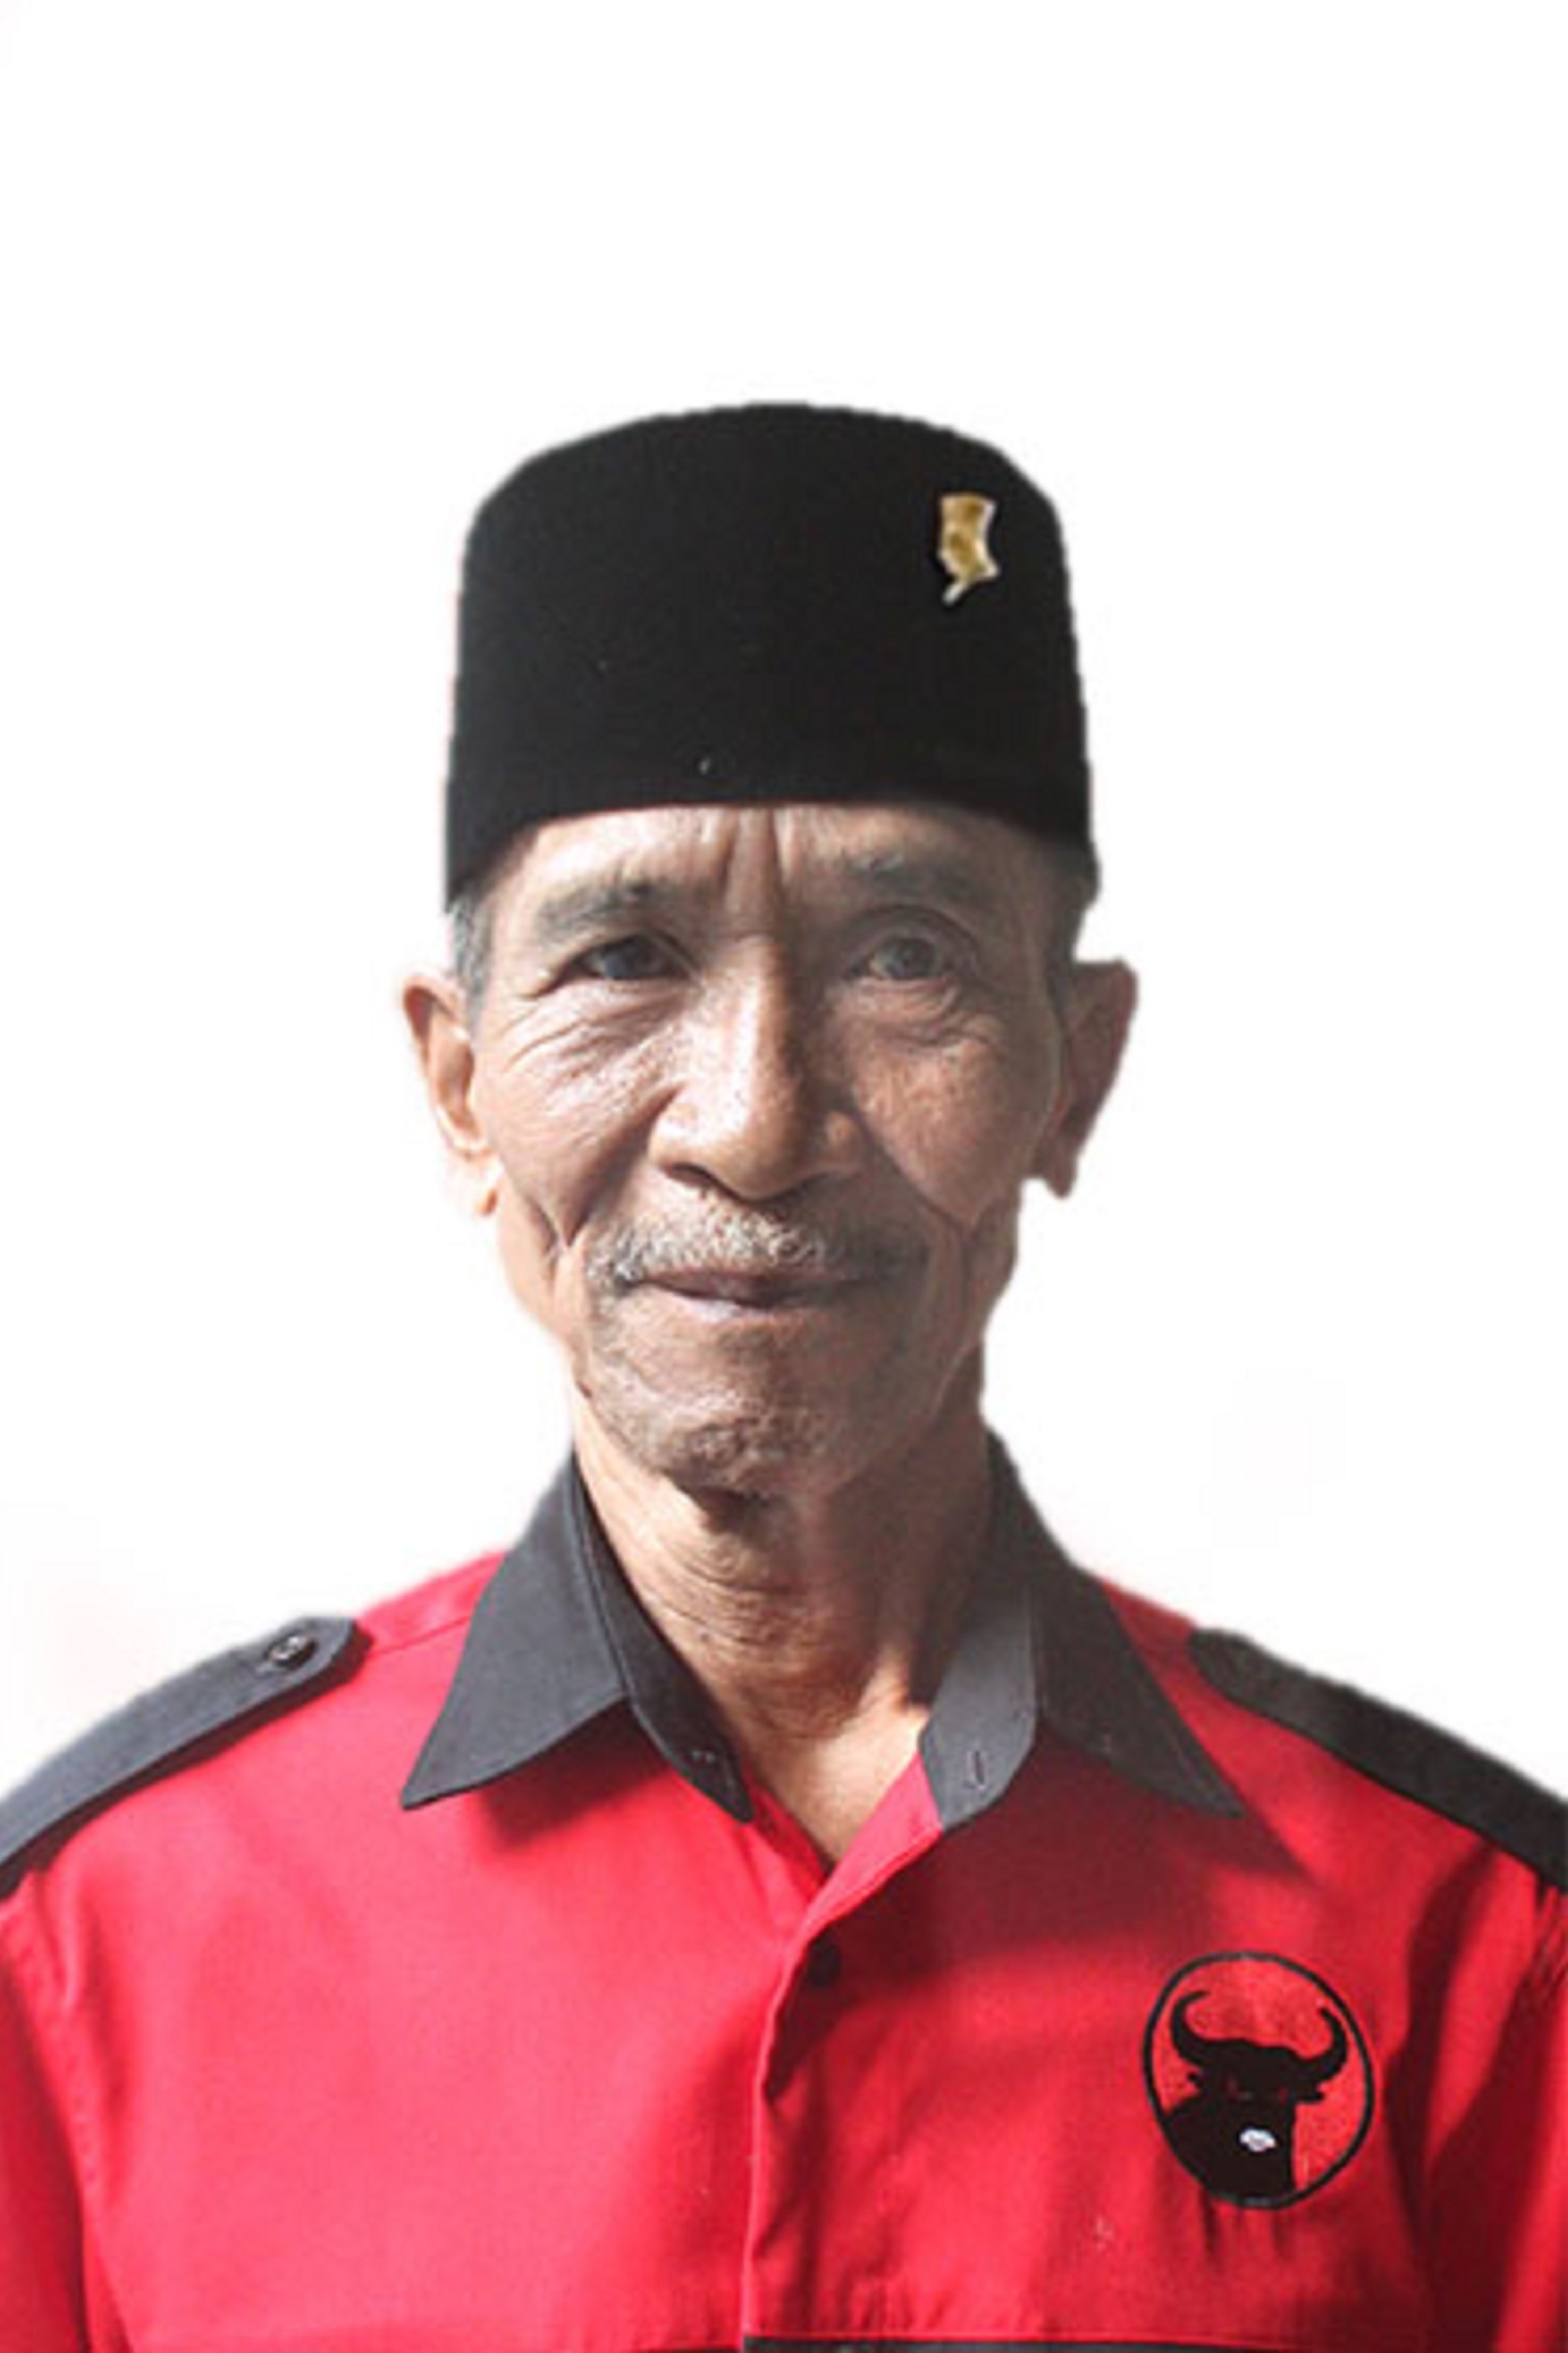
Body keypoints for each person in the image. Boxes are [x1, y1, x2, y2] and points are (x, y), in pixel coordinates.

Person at [1, 406, 1561, 2351]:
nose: (753, 1123)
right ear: (460, 1084)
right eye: (622, 958)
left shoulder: (1462, 1949)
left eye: (903, 957)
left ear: (1074, 1073)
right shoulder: (95, 1954)